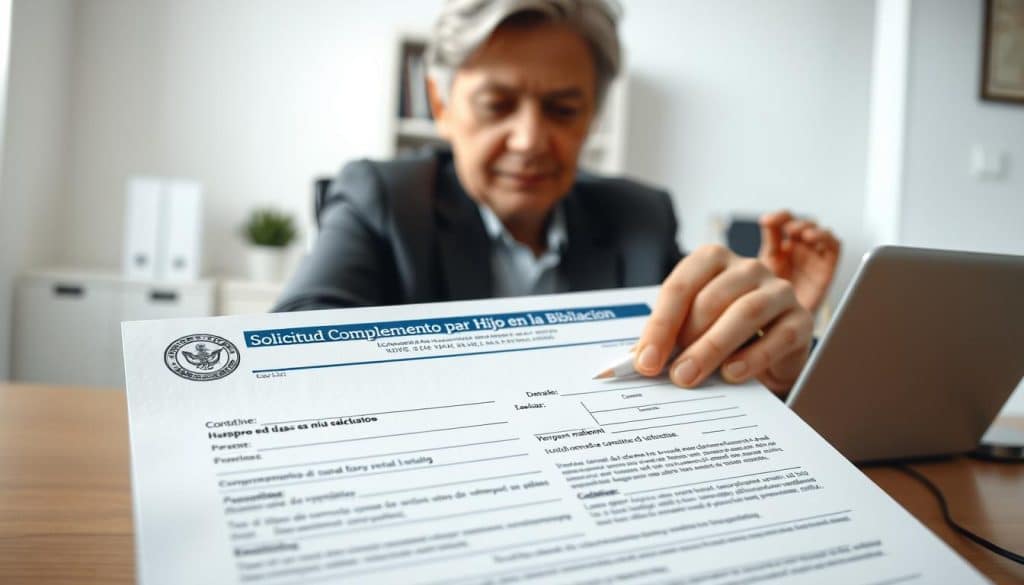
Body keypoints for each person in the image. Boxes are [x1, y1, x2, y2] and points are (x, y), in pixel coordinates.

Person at [274, 0, 841, 396]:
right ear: (440, 104)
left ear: (593, 114)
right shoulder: (384, 199)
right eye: (497, 105)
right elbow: (287, 360)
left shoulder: (639, 216)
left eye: (564, 110)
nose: (529, 141)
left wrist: (766, 346)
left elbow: (698, 356)